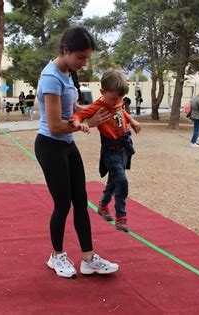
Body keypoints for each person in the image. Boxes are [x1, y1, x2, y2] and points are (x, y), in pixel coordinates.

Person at [35, 25, 119, 278]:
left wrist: (97, 109)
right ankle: (56, 256)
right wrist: (89, 124)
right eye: (80, 57)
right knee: (62, 204)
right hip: (50, 145)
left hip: (67, 145)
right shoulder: (51, 77)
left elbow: (72, 110)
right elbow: (55, 125)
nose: (83, 63)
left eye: (87, 58)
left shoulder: (68, 72)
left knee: (81, 202)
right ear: (66, 50)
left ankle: (88, 258)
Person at [70, 69, 141, 232]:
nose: (118, 101)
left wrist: (133, 121)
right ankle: (121, 216)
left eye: (121, 98)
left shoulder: (116, 101)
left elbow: (120, 110)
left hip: (124, 148)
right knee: (121, 182)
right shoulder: (99, 105)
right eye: (114, 98)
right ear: (103, 92)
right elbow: (79, 115)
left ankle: (102, 205)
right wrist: (78, 123)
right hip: (111, 151)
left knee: (113, 180)